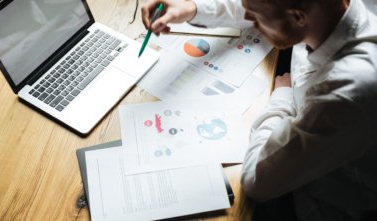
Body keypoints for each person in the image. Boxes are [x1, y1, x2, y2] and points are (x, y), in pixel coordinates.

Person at [141, 0, 377, 220]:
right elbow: (262, 6)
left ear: (298, 17)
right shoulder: (328, 13)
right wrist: (192, 8)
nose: (251, 22)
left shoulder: (343, 92)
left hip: (321, 198)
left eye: (255, 19)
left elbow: (257, 182)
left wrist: (281, 98)